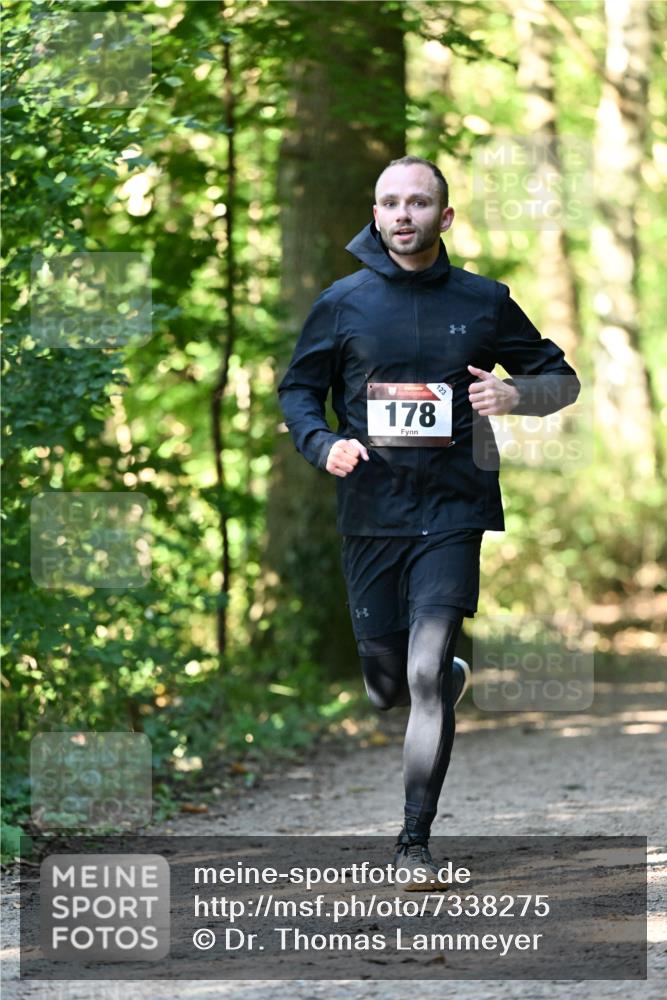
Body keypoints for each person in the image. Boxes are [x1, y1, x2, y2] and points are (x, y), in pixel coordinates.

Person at [277, 155, 580, 889]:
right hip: (371, 510)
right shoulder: (342, 302)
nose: (402, 214)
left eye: (417, 202)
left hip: (453, 509)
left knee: (421, 676)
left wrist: (515, 397)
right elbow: (298, 391)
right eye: (390, 203)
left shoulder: (484, 301)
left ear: (444, 217)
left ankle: (413, 843)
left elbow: (561, 380)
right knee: (389, 686)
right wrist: (322, 443)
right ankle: (446, 677)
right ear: (375, 215)